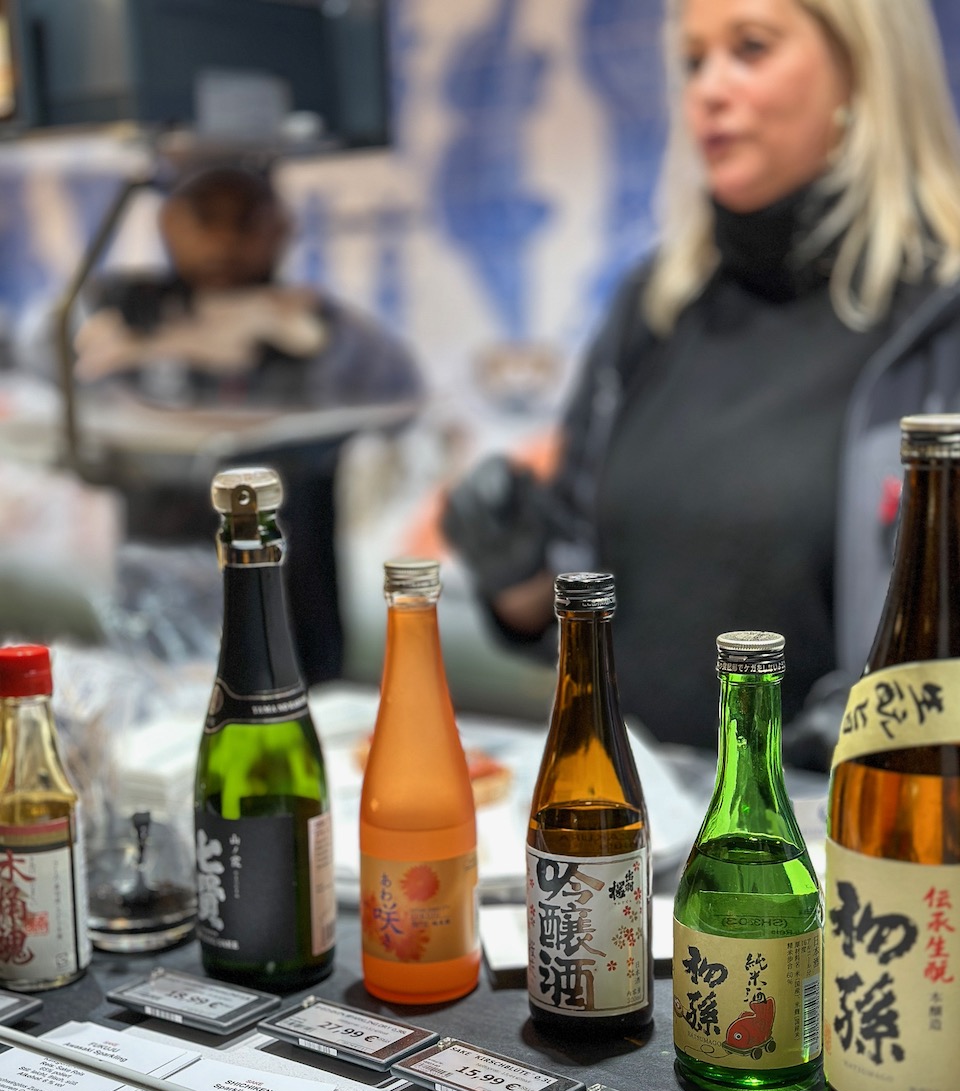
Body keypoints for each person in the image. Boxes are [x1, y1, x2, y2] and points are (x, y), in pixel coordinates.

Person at [442, 0, 960, 769]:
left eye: (751, 48)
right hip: (637, 816)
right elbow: (587, 614)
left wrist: (860, 740)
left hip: (843, 823)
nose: (708, 90)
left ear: (863, 68)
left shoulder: (941, 323)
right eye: (693, 61)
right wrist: (516, 571)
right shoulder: (655, 306)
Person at [74, 164, 423, 683]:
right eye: (205, 219)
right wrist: (143, 336)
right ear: (170, 224)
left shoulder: (309, 323)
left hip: (293, 603)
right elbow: (54, 368)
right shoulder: (135, 311)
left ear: (281, 229)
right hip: (163, 598)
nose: (224, 241)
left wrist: (311, 335)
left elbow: (401, 393)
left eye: (247, 222)